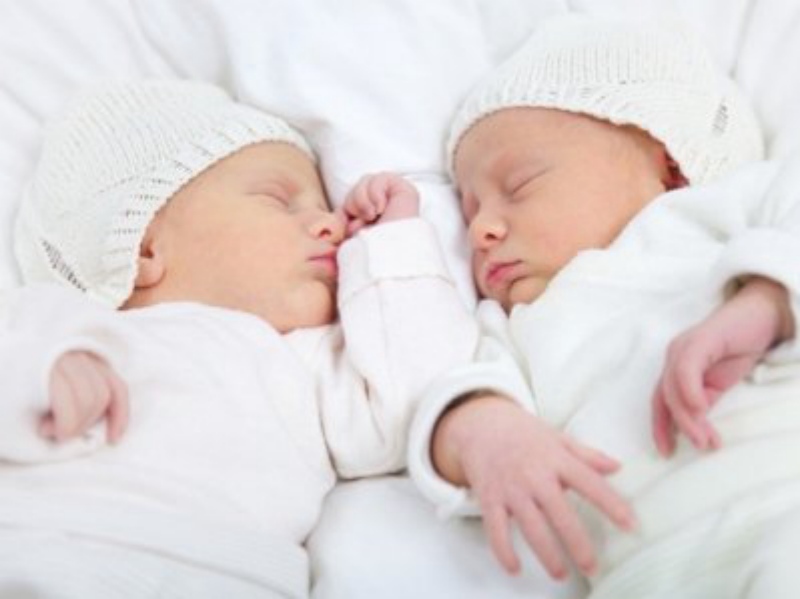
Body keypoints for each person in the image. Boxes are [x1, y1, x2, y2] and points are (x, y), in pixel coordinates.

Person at [0, 80, 477, 598]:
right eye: (280, 200)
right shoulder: (70, 324)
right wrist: (46, 369)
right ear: (144, 250)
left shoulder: (309, 365)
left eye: (325, 208)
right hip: (53, 547)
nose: (330, 224)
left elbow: (418, 394)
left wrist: (392, 243)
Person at [408, 14, 800, 599]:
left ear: (669, 168)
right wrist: (484, 431)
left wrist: (768, 297)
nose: (482, 228)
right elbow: (457, 391)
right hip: (647, 564)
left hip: (781, 487)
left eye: (519, 186)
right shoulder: (514, 326)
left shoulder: (713, 213)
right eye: (469, 211)